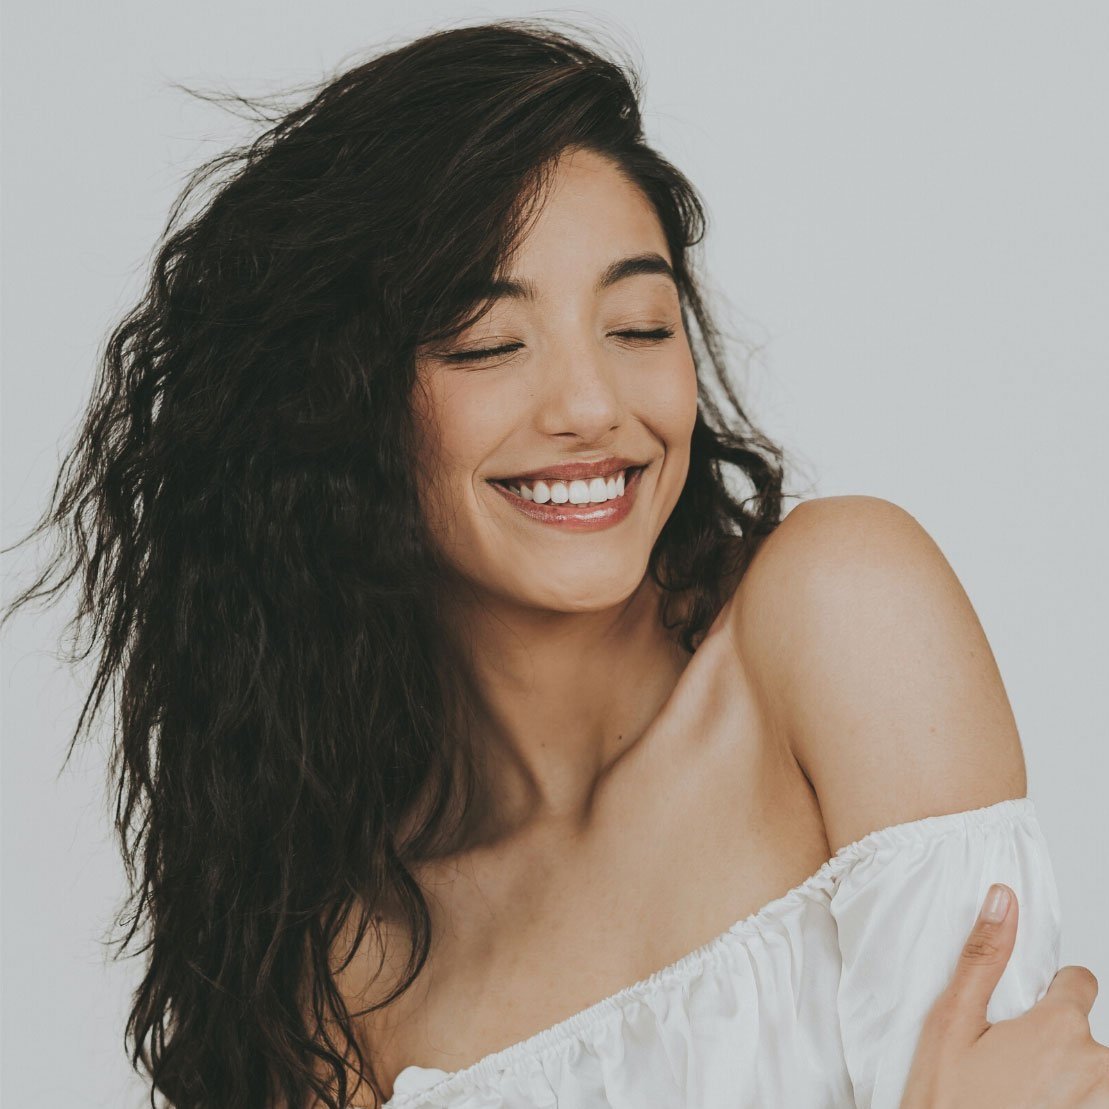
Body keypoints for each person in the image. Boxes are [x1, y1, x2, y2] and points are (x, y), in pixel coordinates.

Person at [3, 17, 1106, 1109]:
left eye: (636, 326)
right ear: (336, 411)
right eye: (488, 343)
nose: (591, 408)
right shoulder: (340, 975)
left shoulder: (841, 610)